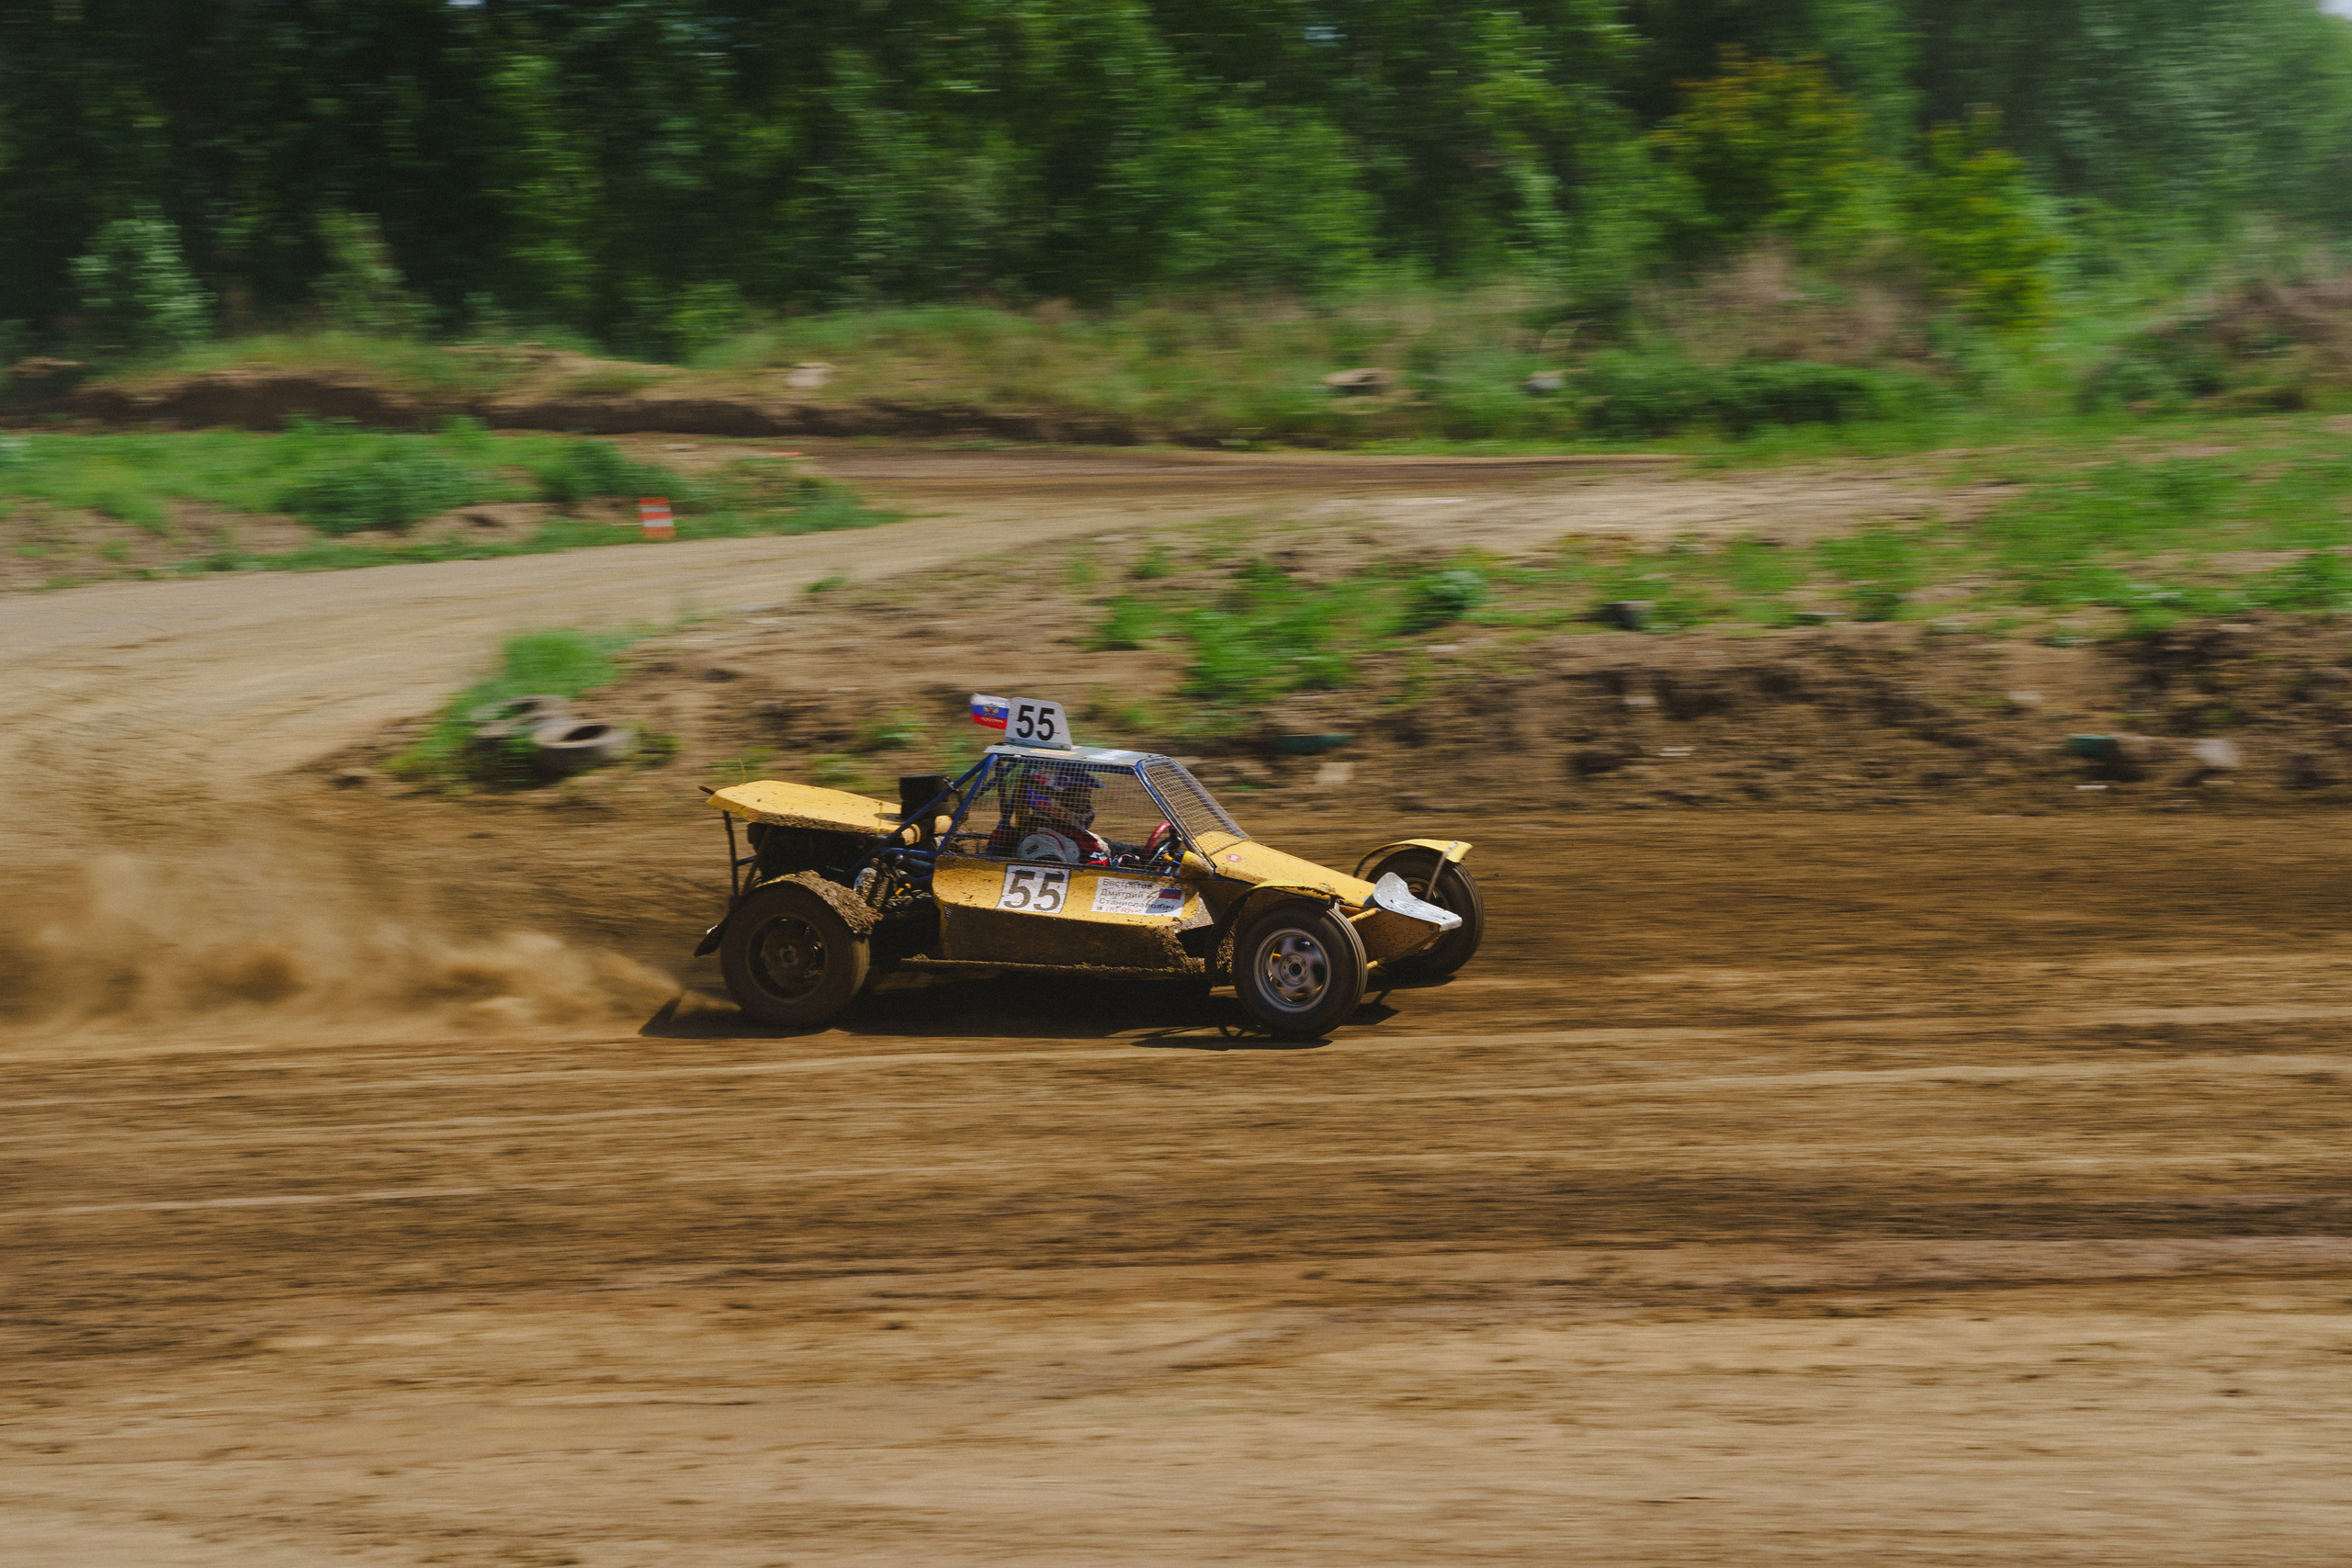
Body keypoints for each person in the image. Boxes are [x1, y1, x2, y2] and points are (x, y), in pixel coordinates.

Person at [985, 761, 1113, 863]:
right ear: (1048, 796)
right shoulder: (1040, 840)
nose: (1086, 804)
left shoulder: (1083, 837)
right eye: (1079, 798)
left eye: (1087, 797)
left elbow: (1117, 849)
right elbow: (1055, 875)